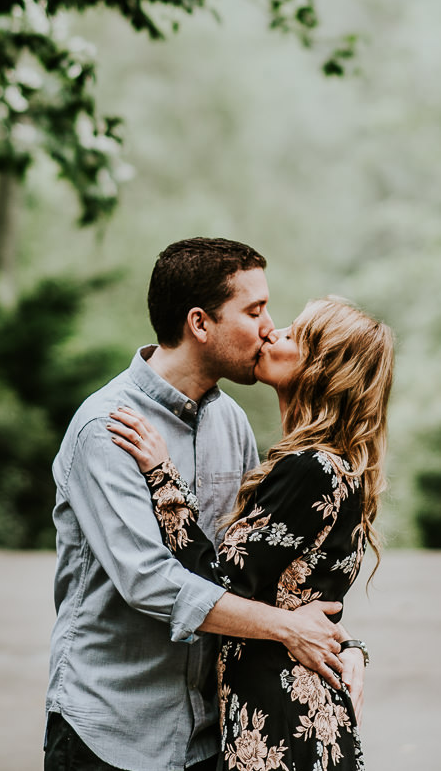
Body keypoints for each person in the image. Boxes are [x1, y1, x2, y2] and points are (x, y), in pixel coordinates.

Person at [46, 238, 351, 771]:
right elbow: (149, 580)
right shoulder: (107, 428)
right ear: (199, 323)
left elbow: (259, 568)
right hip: (114, 732)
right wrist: (285, 628)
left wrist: (343, 647)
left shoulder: (229, 421)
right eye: (254, 310)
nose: (267, 325)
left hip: (212, 735)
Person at [107, 296, 394, 771]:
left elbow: (219, 582)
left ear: (320, 369)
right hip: (294, 709)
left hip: (280, 721)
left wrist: (162, 477)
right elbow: (295, 596)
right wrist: (350, 647)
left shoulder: (311, 469)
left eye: (295, 335)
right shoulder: (336, 466)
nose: (273, 331)